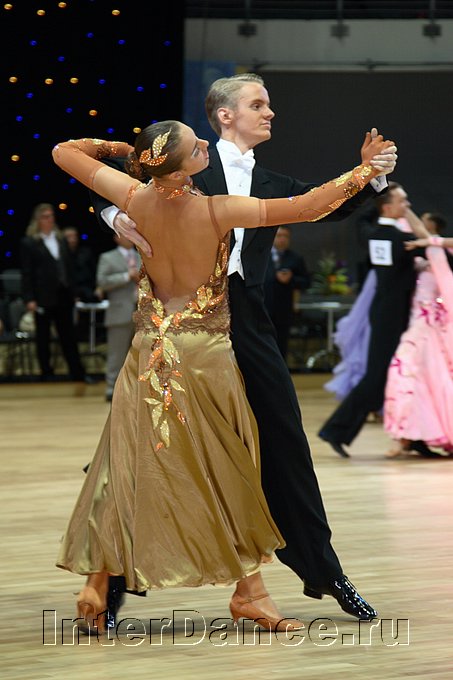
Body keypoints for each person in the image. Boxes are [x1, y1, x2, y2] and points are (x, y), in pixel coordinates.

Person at [52, 119, 391, 634]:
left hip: (146, 353)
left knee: (128, 465)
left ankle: (99, 585)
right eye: (196, 147)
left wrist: (125, 150)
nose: (205, 147)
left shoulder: (133, 196)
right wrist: (365, 170)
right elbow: (307, 207)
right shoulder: (217, 209)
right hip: (202, 357)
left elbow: (63, 150)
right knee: (226, 470)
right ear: (180, 169)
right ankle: (250, 594)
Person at [318, 183, 436, 458]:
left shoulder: (374, 234)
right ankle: (336, 430)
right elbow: (428, 241)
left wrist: (383, 193)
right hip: (393, 317)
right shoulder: (400, 239)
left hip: (385, 313)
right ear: (388, 207)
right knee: (378, 378)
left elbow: (363, 220)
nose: (407, 205)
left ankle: (413, 436)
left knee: (402, 376)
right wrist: (407, 216)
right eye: (403, 201)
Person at [384, 211, 453, 457]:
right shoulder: (424, 252)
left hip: (432, 326)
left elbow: (427, 237)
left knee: (419, 374)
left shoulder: (439, 252)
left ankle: (416, 435)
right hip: (420, 323)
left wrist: (407, 211)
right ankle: (407, 435)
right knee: (410, 375)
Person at [20, 204, 93, 383]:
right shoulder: (30, 242)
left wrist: (74, 291)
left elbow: (69, 268)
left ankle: (77, 372)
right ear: (38, 220)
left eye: (51, 216)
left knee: (68, 335)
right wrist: (29, 298)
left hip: (64, 294)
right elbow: (27, 273)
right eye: (45, 216)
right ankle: (46, 372)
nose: (50, 219)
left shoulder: (60, 239)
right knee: (43, 336)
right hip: (42, 296)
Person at [96, 234, 140, 402]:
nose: (129, 238)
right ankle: (112, 387)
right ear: (116, 237)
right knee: (117, 353)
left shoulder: (142, 256)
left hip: (143, 312)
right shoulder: (108, 257)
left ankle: (139, 388)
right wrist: (126, 276)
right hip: (119, 311)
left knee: (142, 354)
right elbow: (102, 281)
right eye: (125, 235)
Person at [264, 225, 310, 360]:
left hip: (283, 310)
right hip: (263, 308)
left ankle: (280, 371)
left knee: (282, 345)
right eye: (279, 236)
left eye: (286, 236)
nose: (282, 239)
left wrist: (291, 279)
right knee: (264, 344)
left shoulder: (295, 258)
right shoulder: (262, 257)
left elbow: (306, 282)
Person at [63, 226, 99, 303]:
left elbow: (95, 270)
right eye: (69, 236)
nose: (73, 239)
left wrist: (98, 287)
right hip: (67, 292)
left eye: (75, 236)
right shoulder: (60, 255)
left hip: (87, 289)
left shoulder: (86, 252)